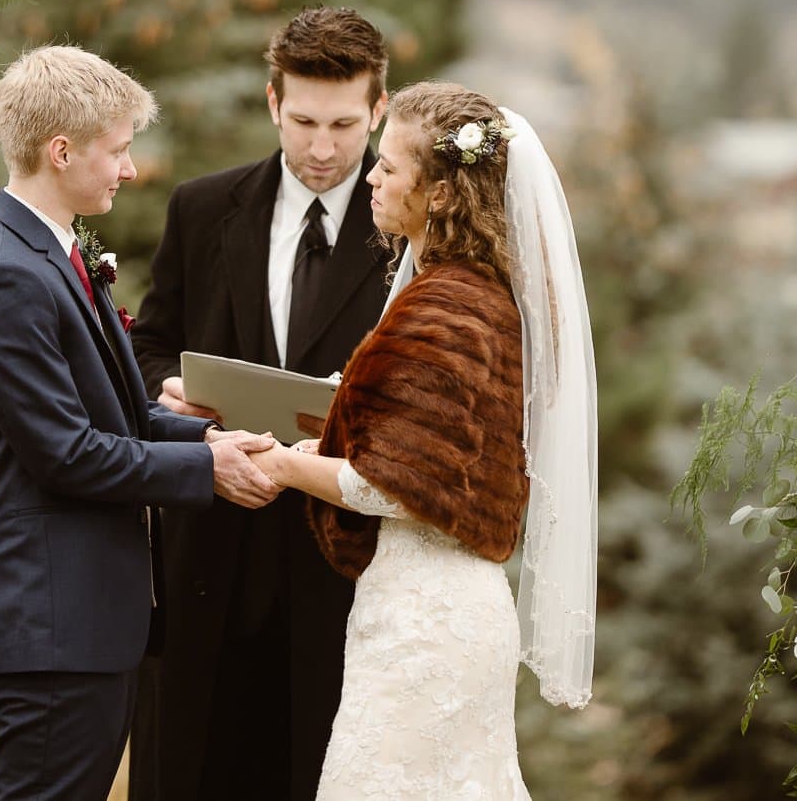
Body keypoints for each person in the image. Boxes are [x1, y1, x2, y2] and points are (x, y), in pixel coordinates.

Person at [0, 45, 279, 801]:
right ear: (60, 152)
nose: (130, 170)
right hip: (51, 623)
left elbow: (123, 419)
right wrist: (208, 474)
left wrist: (211, 440)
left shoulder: (53, 253)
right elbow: (66, 455)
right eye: (119, 150)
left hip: (85, 622)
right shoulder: (8, 277)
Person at [251, 81, 599, 799]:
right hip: (440, 608)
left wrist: (280, 463)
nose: (369, 178)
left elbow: (394, 485)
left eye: (388, 166)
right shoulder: (476, 294)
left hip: (425, 626)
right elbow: (430, 443)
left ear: (440, 193)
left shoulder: (449, 308)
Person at [128, 6, 393, 801]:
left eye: (345, 125)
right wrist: (168, 395)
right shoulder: (204, 207)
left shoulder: (414, 232)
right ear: (273, 101)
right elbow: (149, 346)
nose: (322, 147)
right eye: (304, 120)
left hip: (344, 571)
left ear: (379, 109)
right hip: (208, 561)